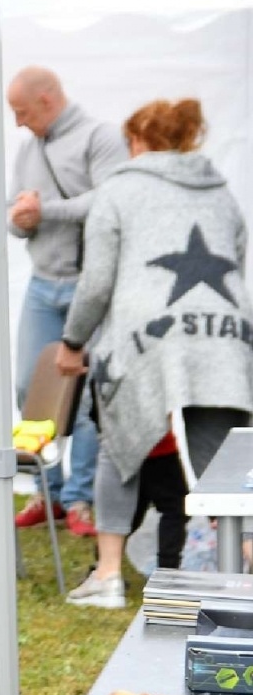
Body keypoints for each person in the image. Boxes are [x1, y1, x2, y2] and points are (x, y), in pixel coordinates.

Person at [56, 98, 253, 607]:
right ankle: (245, 568)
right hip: (224, 335)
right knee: (226, 461)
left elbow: (97, 281)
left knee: (119, 449)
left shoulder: (119, 190)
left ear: (138, 141)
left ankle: (109, 575)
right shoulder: (223, 194)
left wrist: (74, 341)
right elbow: (238, 263)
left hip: (143, 338)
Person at [6, 67, 128, 539]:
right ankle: (49, 492)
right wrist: (20, 218)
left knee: (86, 399)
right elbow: (17, 219)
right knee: (25, 388)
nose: (17, 122)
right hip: (43, 283)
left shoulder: (101, 138)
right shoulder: (28, 148)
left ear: (47, 99)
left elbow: (111, 201)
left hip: (88, 286)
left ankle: (80, 498)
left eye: (21, 112)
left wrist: (43, 211)